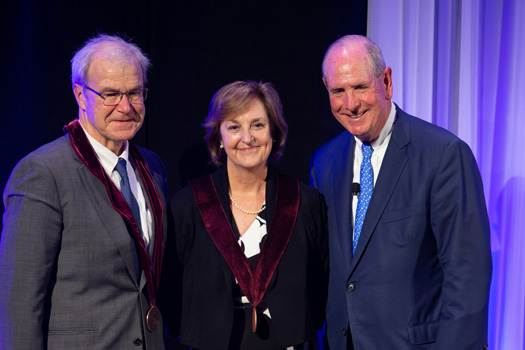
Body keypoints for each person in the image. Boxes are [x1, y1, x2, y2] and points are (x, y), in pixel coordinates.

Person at [310, 35, 491, 349]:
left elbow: (467, 276)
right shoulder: (324, 162)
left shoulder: (443, 154)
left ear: (386, 81)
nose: (350, 104)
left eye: (360, 87)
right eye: (338, 91)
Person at [0, 34, 168, 349]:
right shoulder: (43, 173)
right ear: (80, 94)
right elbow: (19, 302)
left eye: (134, 92)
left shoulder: (153, 168)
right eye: (110, 94)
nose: (126, 106)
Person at [167, 81, 329, 350]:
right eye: (234, 127)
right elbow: (171, 290)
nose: (247, 137)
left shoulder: (304, 202)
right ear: (219, 137)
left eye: (258, 125)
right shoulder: (189, 205)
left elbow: (320, 285)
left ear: (274, 133)